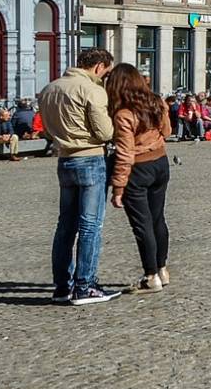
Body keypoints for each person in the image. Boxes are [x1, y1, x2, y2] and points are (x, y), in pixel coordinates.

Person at [39, 47, 119, 305]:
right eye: (105, 73)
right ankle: (85, 285)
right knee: (90, 225)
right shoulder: (92, 90)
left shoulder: (50, 88)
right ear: (98, 67)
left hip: (64, 159)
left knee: (65, 226)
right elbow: (105, 132)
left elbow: (48, 130)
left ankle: (63, 285)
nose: (104, 78)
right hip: (90, 157)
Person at [105, 64, 172, 294]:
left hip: (138, 168)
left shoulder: (123, 114)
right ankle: (162, 269)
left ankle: (150, 275)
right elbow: (168, 131)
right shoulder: (156, 102)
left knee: (142, 225)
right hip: (161, 163)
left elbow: (125, 153)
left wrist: (118, 188)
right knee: (157, 219)